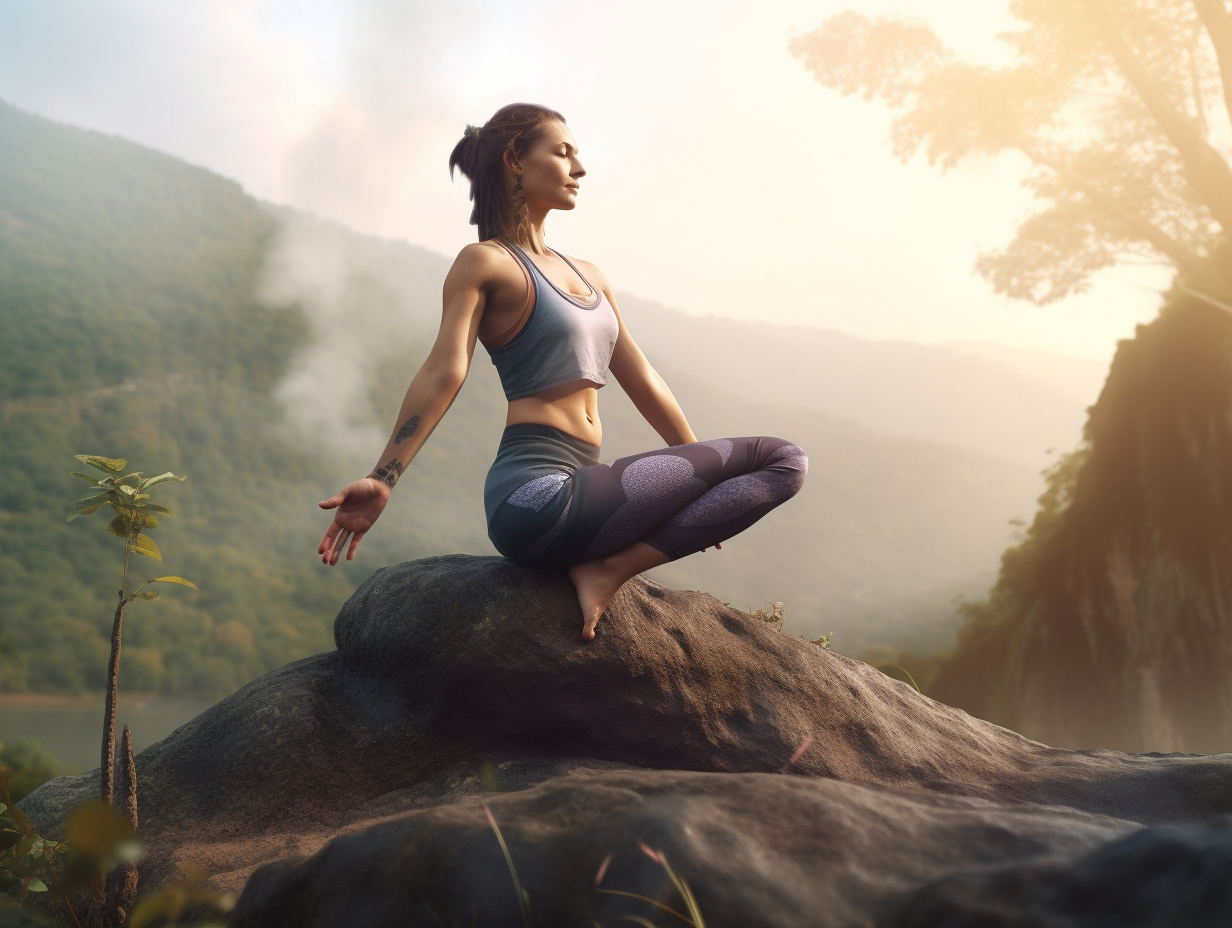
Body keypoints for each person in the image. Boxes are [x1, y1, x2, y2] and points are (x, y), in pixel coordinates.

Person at [317, 103, 808, 641]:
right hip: (532, 497)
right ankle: (607, 572)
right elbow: (444, 369)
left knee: (783, 467)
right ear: (515, 161)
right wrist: (384, 477)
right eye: (563, 152)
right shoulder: (485, 262)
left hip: (583, 489)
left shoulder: (590, 275)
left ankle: (607, 567)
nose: (580, 168)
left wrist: (701, 468)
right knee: (781, 457)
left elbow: (641, 376)